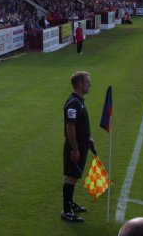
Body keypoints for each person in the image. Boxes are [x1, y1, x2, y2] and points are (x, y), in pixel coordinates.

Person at [61, 71, 94, 223]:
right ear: (79, 84)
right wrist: (75, 149)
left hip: (81, 144)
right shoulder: (74, 103)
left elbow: (80, 125)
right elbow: (70, 127)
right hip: (75, 147)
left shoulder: (79, 101)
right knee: (71, 177)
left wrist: (88, 139)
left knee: (74, 175)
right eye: (87, 82)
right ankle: (66, 211)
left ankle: (70, 203)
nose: (90, 85)